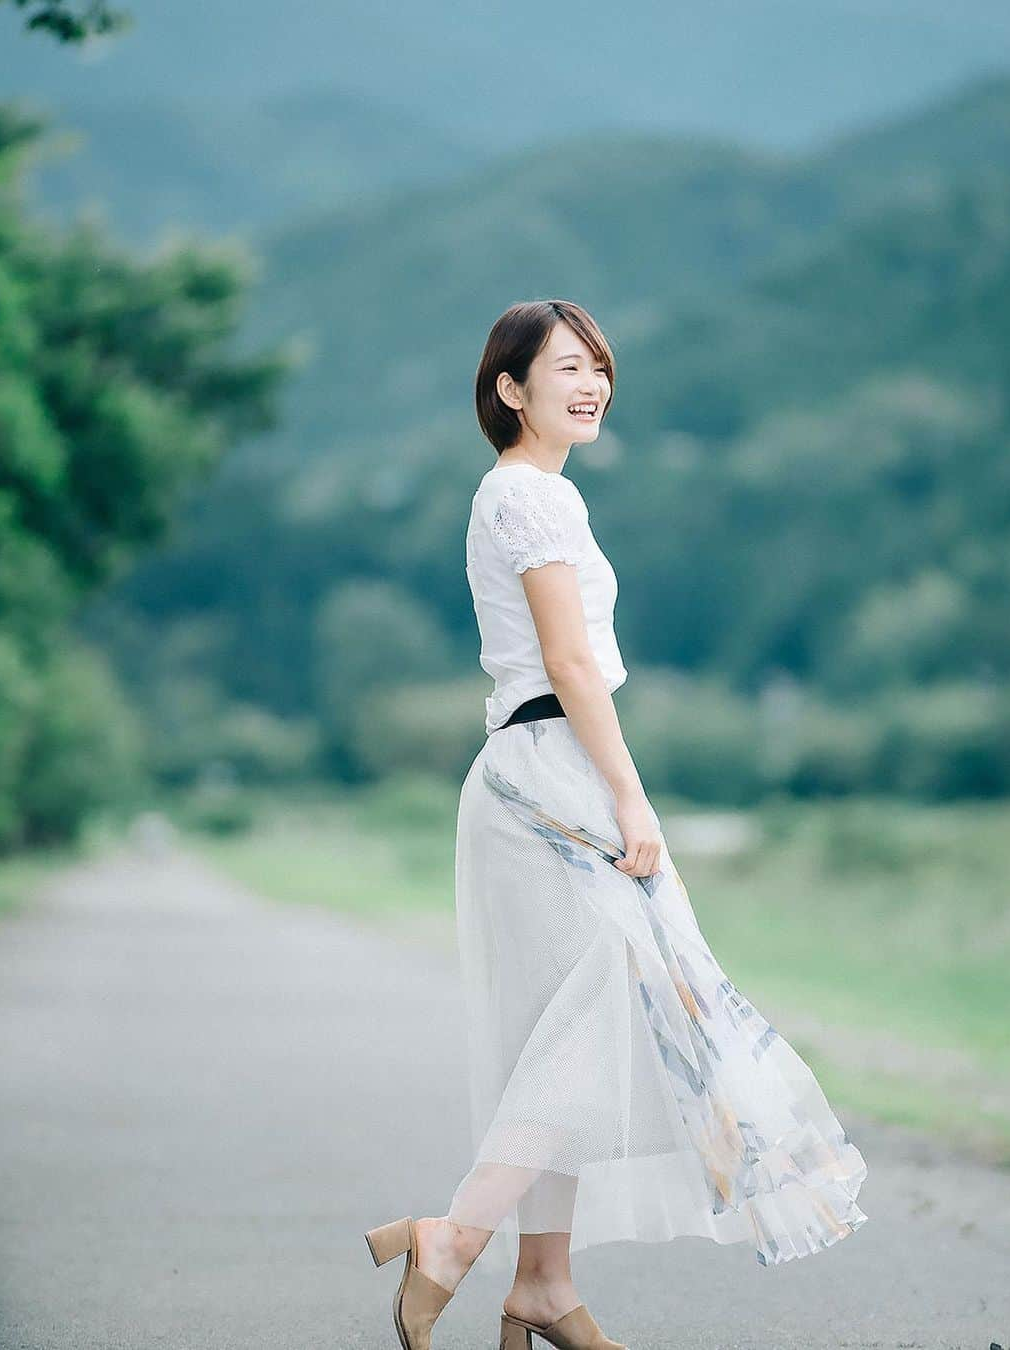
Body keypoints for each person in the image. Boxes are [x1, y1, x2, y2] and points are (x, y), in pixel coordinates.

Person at [365, 300, 868, 1350]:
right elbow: (571, 666)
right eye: (565, 369)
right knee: (601, 1020)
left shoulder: (529, 496)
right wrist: (631, 799)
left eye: (598, 366)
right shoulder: (531, 500)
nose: (590, 384)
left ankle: (543, 1284)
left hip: (535, 771)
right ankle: (455, 1238)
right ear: (510, 390)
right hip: (552, 772)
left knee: (575, 1021)